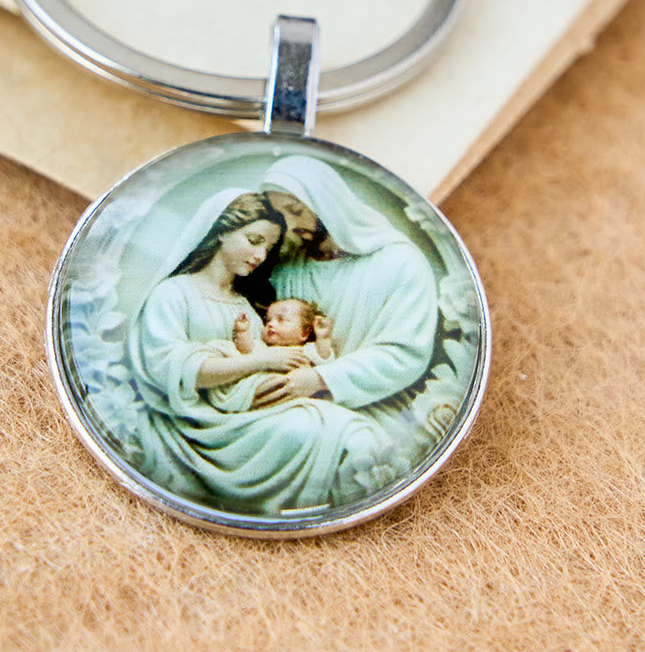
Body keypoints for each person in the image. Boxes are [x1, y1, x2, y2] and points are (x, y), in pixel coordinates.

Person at [127, 189, 386, 513]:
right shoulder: (173, 294)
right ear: (221, 231)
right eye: (254, 240)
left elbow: (272, 361)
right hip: (202, 426)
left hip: (252, 416)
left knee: (355, 432)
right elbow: (171, 370)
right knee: (325, 430)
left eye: (268, 247)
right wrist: (263, 359)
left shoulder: (245, 306)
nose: (260, 255)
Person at [258, 156, 439, 438]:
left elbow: (405, 354)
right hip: (293, 403)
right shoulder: (290, 269)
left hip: (372, 406)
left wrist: (321, 378)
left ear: (327, 203)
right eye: (281, 216)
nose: (290, 225)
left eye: (296, 210)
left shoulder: (400, 262)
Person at [205, 299, 335, 413]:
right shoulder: (264, 348)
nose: (271, 324)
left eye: (281, 320)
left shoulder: (304, 351)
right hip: (261, 392)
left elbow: (324, 359)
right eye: (268, 320)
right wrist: (242, 332)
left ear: (304, 333)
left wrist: (323, 338)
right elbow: (247, 351)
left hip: (290, 395)